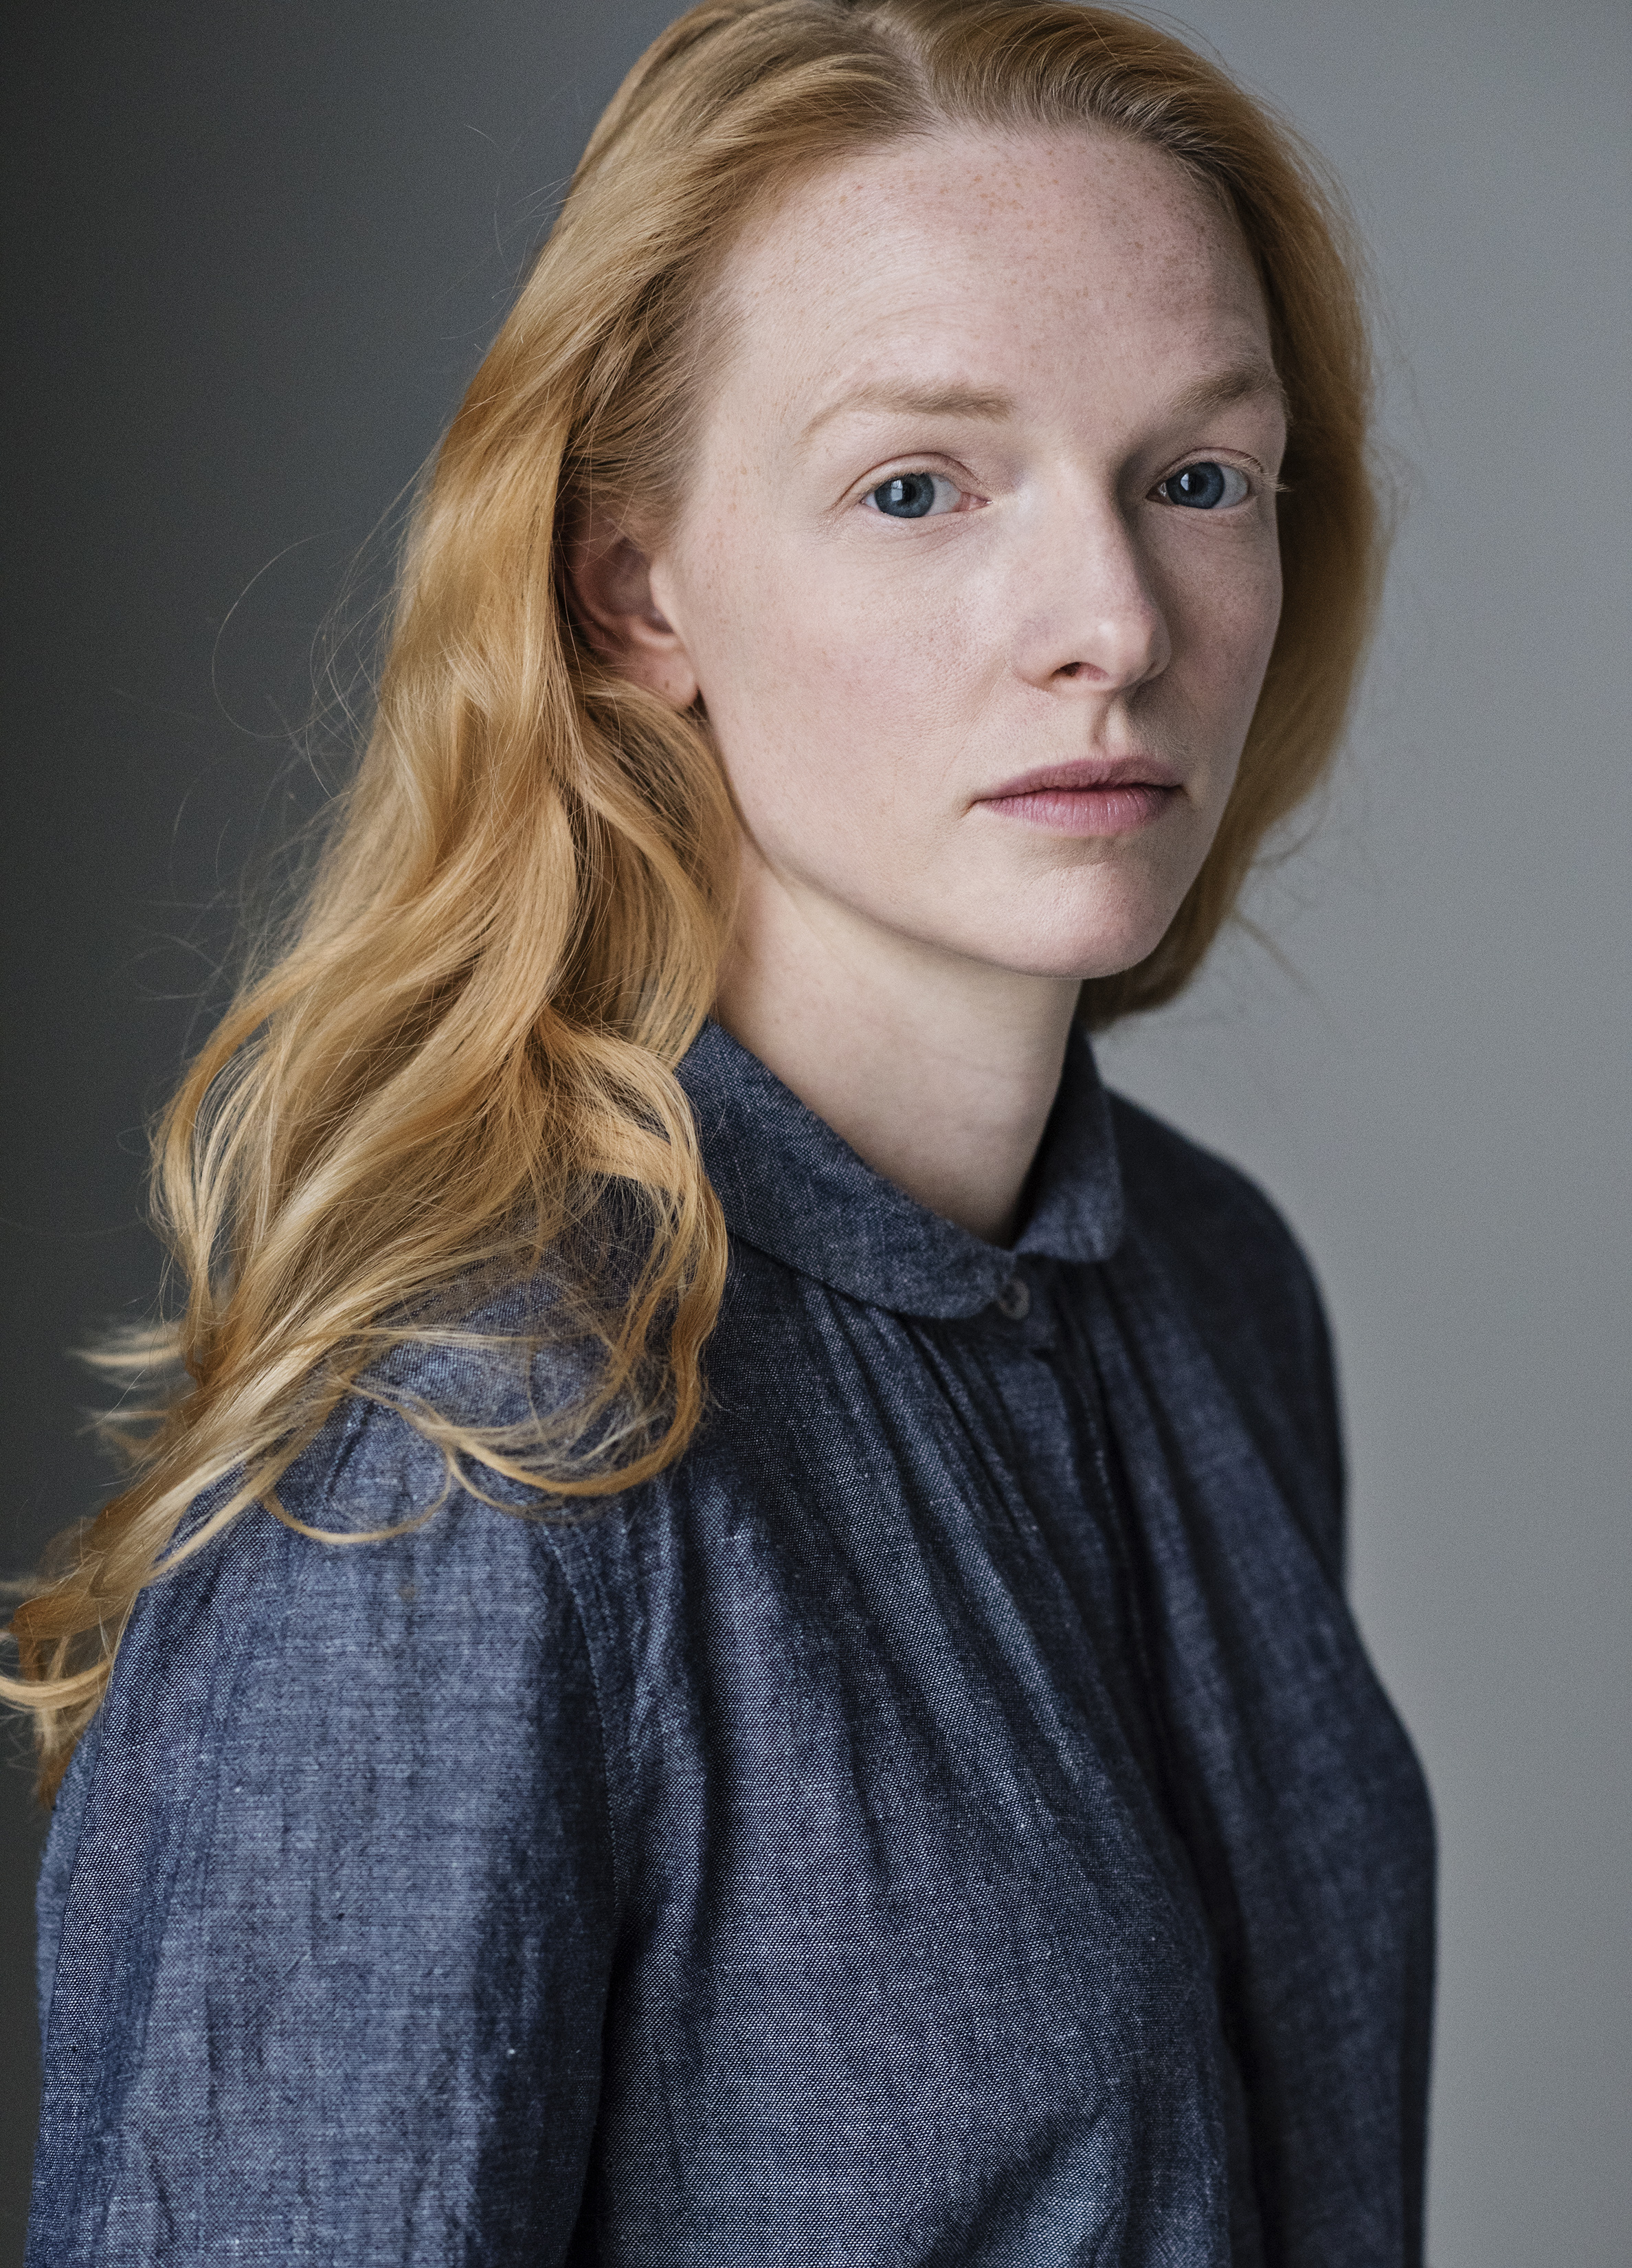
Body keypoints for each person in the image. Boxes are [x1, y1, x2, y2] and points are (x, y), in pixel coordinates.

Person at [8, 2, 1435, 2259]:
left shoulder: (1219, 1291)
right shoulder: (472, 1449)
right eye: (918, 486)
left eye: (1197, 478)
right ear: (636, 589)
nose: (1113, 622)